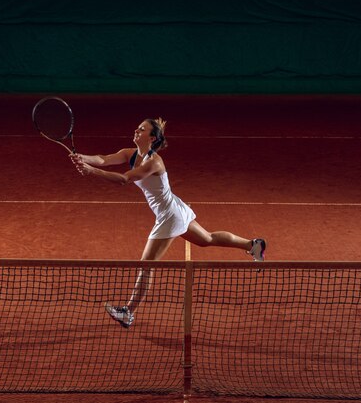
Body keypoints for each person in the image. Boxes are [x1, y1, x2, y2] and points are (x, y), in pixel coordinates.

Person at [70, 118, 266, 328]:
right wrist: (84, 158)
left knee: (146, 264)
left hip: (169, 216)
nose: (136, 130)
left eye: (142, 129)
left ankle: (128, 312)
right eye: (138, 127)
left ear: (152, 138)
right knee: (207, 239)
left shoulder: (154, 162)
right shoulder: (130, 153)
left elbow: (124, 180)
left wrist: (91, 171)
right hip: (175, 208)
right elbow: (103, 158)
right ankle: (252, 245)